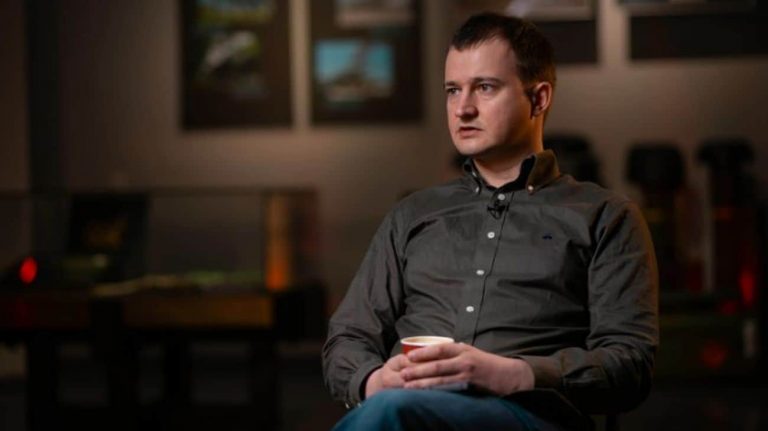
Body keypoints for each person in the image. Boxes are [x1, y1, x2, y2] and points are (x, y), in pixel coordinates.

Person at [322, 12, 658, 431]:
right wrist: (375, 382)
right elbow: (348, 338)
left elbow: (630, 364)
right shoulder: (411, 214)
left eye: (484, 87)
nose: (463, 109)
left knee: (391, 414)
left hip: (531, 416)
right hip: (405, 409)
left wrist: (512, 373)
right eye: (452, 90)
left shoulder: (605, 216)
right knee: (389, 410)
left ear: (539, 99)